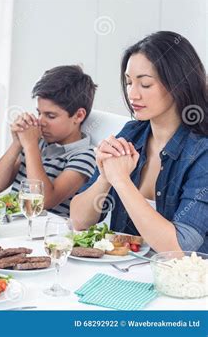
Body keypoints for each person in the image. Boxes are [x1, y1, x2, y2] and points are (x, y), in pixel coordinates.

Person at [70, 31, 208, 253]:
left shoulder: (202, 152)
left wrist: (121, 181)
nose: (132, 94)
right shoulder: (131, 134)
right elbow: (78, 221)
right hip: (123, 273)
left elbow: (179, 248)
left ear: (178, 84)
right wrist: (105, 177)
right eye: (128, 82)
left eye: (145, 84)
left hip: (183, 282)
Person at [0, 66, 97, 216]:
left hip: (46, 231)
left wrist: (31, 146)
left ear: (78, 116)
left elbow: (43, 202)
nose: (40, 121)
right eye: (39, 113)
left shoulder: (86, 156)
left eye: (50, 116)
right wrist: (17, 143)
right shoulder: (38, 141)